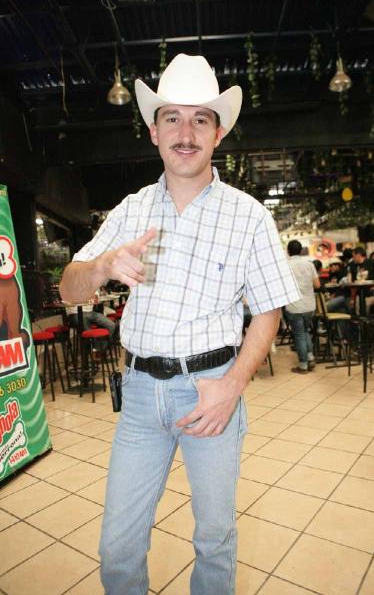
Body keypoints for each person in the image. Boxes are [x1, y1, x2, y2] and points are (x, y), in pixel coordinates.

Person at [59, 53, 300, 595]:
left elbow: (269, 309)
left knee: (214, 538)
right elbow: (69, 287)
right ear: (154, 131)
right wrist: (101, 266)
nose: (185, 133)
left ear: (218, 133)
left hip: (211, 390)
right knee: (118, 546)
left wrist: (232, 386)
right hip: (141, 395)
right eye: (172, 118)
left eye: (200, 119)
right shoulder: (130, 210)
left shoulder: (248, 216)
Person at [284, 240, 320, 373]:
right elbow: (317, 285)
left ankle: (303, 365)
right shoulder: (309, 264)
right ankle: (310, 358)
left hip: (294, 306)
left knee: (299, 334)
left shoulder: (285, 266)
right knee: (305, 331)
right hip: (309, 306)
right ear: (301, 251)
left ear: (288, 251)